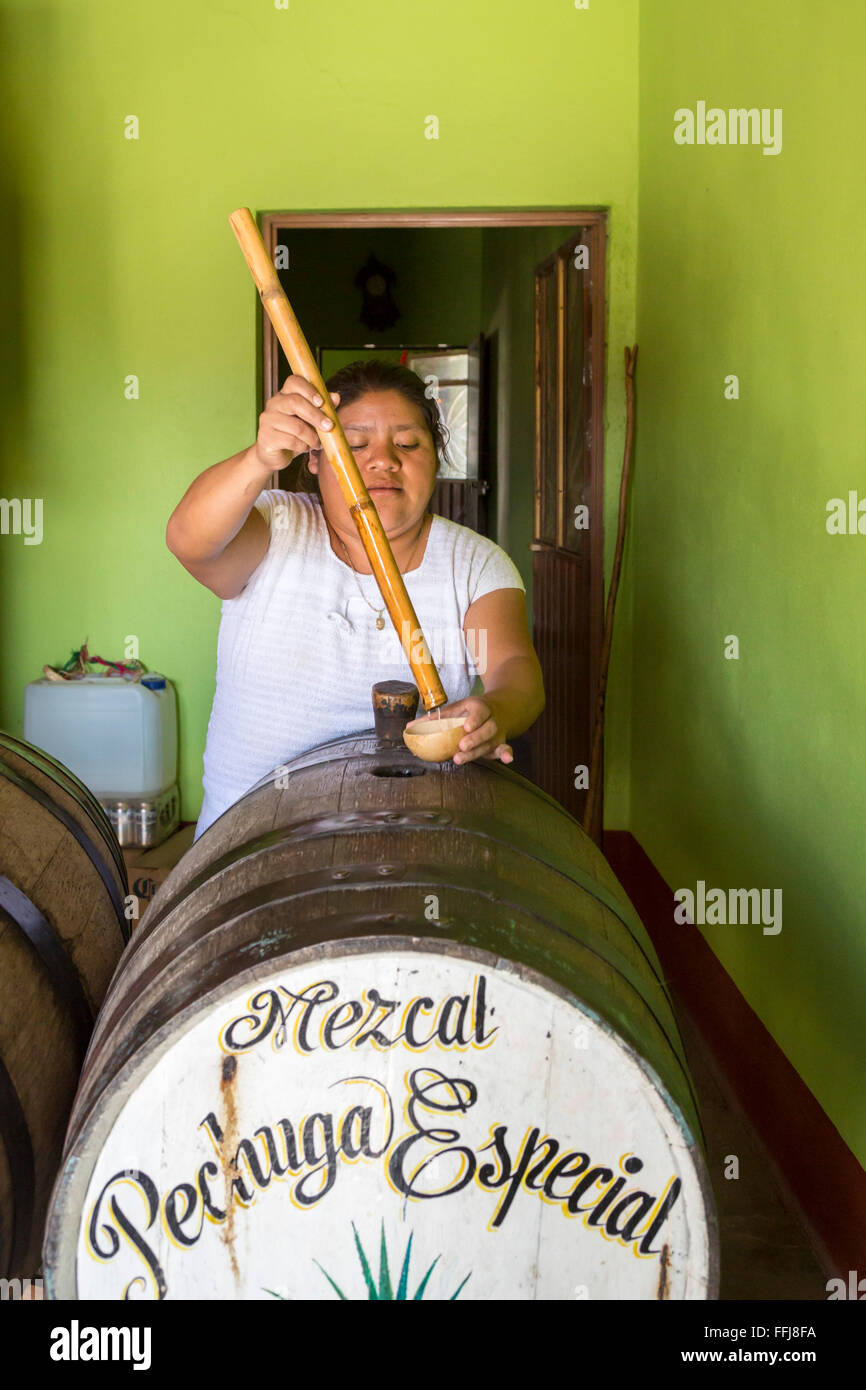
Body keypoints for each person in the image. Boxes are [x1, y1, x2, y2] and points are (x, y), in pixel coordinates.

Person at [166, 360, 545, 840]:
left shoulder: (473, 562)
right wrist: (260, 457)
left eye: (407, 444)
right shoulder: (273, 527)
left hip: (413, 839)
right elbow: (187, 540)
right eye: (356, 444)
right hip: (249, 844)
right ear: (315, 458)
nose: (383, 460)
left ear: (437, 458)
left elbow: (515, 670)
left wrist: (495, 712)